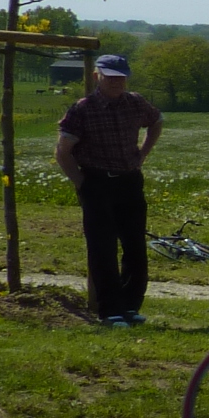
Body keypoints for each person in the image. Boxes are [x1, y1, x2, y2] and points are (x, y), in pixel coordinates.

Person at [54, 54, 162, 326]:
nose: (117, 82)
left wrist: (143, 154)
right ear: (96, 77)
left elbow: (156, 121)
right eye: (110, 76)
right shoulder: (83, 109)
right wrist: (80, 182)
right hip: (96, 181)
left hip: (129, 180)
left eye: (121, 77)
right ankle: (110, 310)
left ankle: (129, 305)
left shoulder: (135, 102)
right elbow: (63, 151)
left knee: (135, 245)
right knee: (102, 248)